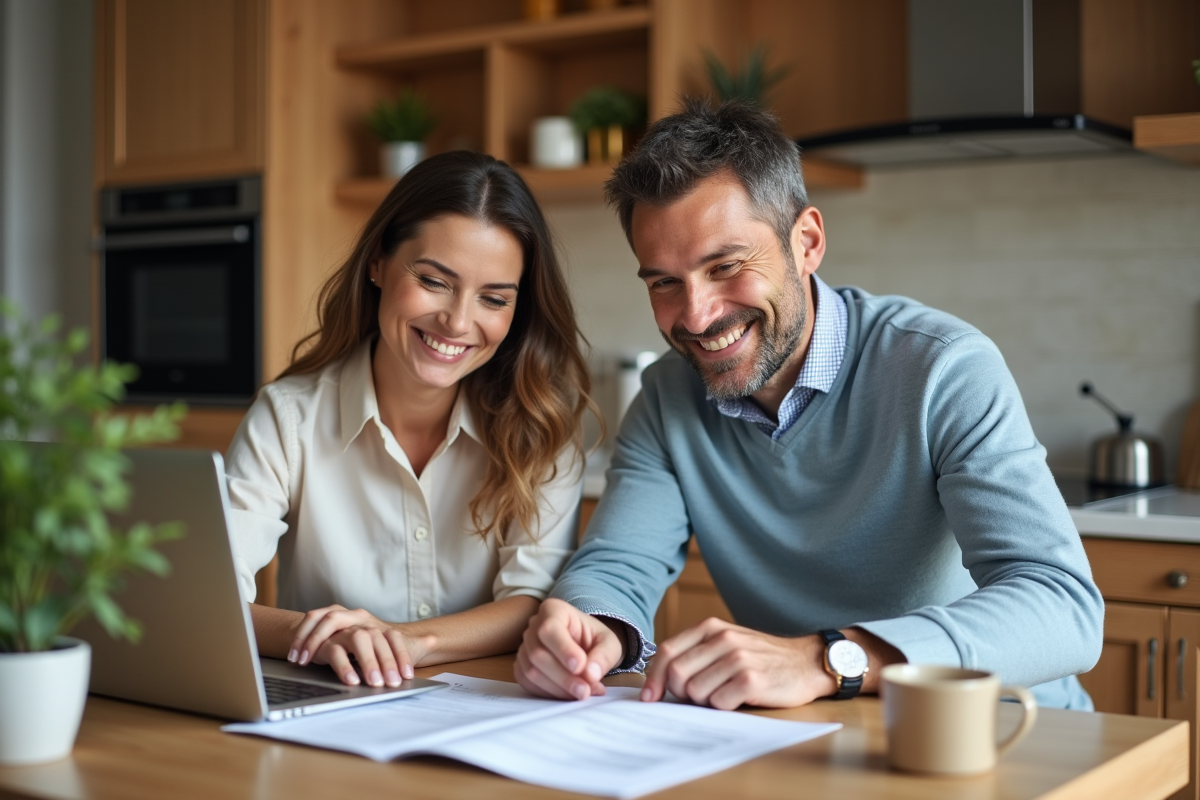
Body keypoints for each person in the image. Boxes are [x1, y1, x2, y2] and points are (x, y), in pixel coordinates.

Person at [514, 100, 1104, 711]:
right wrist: (584, 627)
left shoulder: (944, 368)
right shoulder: (668, 397)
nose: (695, 315)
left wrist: (830, 657)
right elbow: (617, 566)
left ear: (807, 243)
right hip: (826, 738)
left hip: (1003, 729)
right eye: (664, 282)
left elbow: (1063, 607)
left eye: (727, 266)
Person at [226, 151, 598, 688]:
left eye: (493, 298)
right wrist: (321, 637)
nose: (458, 321)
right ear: (378, 262)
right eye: (434, 281)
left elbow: (532, 601)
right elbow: (213, 595)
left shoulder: (542, 428)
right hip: (330, 708)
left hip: (482, 713)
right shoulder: (288, 418)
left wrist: (405, 641)